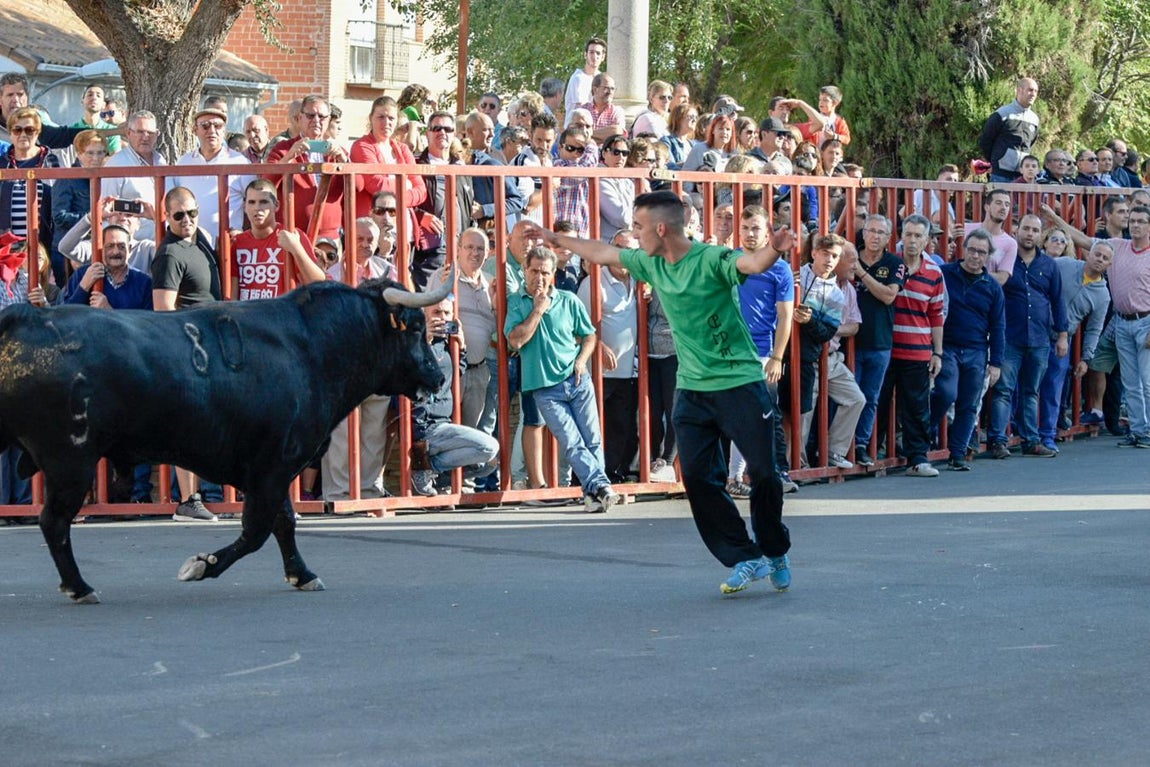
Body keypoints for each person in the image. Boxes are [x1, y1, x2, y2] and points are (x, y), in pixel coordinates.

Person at [527, 190, 795, 595]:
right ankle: (745, 555)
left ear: (661, 228)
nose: (633, 235)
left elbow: (752, 262)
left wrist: (774, 249)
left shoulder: (709, 259)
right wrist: (557, 238)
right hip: (692, 391)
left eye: (638, 227)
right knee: (701, 482)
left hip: (740, 384)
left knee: (764, 475)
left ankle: (774, 550)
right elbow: (602, 253)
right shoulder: (651, 262)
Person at [506, 246, 621, 513]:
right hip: (545, 388)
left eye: (545, 272)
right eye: (534, 271)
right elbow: (516, 340)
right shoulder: (517, 301)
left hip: (578, 379)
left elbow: (589, 335)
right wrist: (537, 310)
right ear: (525, 270)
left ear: (553, 273)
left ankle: (595, 494)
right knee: (571, 442)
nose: (540, 278)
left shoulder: (569, 299)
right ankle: (601, 487)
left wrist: (582, 360)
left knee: (592, 440)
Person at [1044, 202, 1150, 448]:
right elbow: (1080, 239)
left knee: (1147, 381)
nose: (1135, 225)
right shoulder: (1116, 246)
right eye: (1132, 221)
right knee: (1131, 382)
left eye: (1141, 221)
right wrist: (1054, 218)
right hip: (1122, 321)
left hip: (1146, 321)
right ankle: (1138, 431)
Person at [151, 187, 223, 521]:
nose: (187, 220)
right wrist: (184, 355)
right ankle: (188, 499)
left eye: (192, 213)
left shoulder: (199, 242)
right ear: (166, 216)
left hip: (212, 345)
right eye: (179, 215)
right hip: (190, 350)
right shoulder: (170, 254)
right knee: (188, 426)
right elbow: (164, 310)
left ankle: (206, 493)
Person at [986, 213, 1067, 458]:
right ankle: (998, 441)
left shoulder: (1049, 265)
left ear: (1039, 234)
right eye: (1026, 229)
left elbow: (1058, 301)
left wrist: (1062, 335)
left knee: (1031, 391)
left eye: (1035, 230)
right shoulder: (1005, 259)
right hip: (1010, 336)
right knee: (1003, 390)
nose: (1030, 234)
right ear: (1017, 230)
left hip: (1041, 339)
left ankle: (1030, 441)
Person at [731, 205, 795, 495]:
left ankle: (772, 473)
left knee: (764, 415)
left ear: (767, 231)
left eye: (756, 228)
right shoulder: (729, 260)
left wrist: (778, 357)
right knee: (734, 415)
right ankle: (734, 478)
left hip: (761, 352)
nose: (750, 234)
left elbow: (785, 315)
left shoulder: (779, 268)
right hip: (727, 351)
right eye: (745, 228)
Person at [876, 215, 946, 477]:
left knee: (917, 407)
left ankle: (917, 459)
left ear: (927, 240)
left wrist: (937, 352)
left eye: (919, 236)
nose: (913, 240)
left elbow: (937, 314)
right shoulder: (888, 264)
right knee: (879, 403)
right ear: (900, 237)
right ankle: (874, 455)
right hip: (884, 348)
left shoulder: (934, 272)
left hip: (917, 350)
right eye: (909, 234)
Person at [409, 297, 500, 496]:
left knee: (489, 464)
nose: (442, 319)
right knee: (489, 447)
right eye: (436, 313)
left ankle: (433, 472)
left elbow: (456, 373)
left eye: (447, 314)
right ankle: (425, 466)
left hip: (443, 422)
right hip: (424, 424)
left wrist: (462, 345)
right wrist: (423, 342)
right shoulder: (412, 341)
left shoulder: (446, 343)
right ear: (424, 315)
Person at [930, 229, 1005, 470]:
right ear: (964, 250)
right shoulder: (945, 274)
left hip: (977, 350)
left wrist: (996, 363)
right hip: (948, 345)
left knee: (969, 403)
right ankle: (925, 431)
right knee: (945, 393)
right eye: (971, 250)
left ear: (988, 256)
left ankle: (958, 453)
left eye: (981, 252)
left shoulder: (993, 287)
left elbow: (998, 326)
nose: (975, 256)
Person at [1038, 241, 1113, 453]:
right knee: (1025, 383)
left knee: (1053, 388)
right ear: (1089, 255)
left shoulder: (1103, 295)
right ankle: (1021, 431)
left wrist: (1086, 358)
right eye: (1097, 254)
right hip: (1036, 331)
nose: (1099, 259)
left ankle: (1047, 436)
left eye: (1105, 258)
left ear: (1109, 264)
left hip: (1062, 340)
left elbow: (1094, 330)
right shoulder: (1065, 264)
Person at [577, 251, 638, 484]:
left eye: (630, 250)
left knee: (619, 425)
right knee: (593, 426)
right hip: (598, 371)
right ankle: (587, 476)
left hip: (627, 370)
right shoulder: (593, 281)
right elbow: (581, 322)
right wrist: (599, 345)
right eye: (619, 248)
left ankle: (611, 474)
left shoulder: (639, 278)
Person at [852, 214, 907, 465]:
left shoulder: (895, 262)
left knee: (870, 397)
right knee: (846, 397)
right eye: (871, 231)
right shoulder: (849, 258)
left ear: (888, 238)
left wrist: (861, 274)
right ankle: (836, 446)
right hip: (849, 341)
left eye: (881, 233)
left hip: (880, 341)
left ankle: (861, 444)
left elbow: (888, 296)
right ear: (863, 234)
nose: (875, 236)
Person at [265, 94, 350, 241]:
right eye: (310, 115)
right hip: (293, 234)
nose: (316, 120)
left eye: (322, 116)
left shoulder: (338, 150)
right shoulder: (283, 148)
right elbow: (266, 184)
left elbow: (358, 186)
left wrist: (344, 162)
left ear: (329, 120)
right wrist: (289, 156)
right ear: (300, 118)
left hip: (330, 237)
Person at [230, 178, 325, 300]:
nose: (257, 208)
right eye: (252, 202)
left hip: (282, 315)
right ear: (245, 207)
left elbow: (319, 284)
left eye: (264, 202)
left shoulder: (292, 235)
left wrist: (296, 249)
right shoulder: (238, 242)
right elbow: (231, 295)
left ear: (276, 206)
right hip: (248, 316)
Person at [169, 106, 252, 245]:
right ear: (195, 130)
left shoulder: (240, 162)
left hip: (228, 243)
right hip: (190, 244)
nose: (212, 131)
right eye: (205, 126)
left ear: (224, 130)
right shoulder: (184, 162)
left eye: (217, 125)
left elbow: (254, 203)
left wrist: (245, 234)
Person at [1, 107, 61, 283]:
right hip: (7, 249)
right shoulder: (2, 163)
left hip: (42, 247)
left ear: (38, 132)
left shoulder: (51, 161)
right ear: (10, 133)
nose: (23, 135)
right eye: (17, 129)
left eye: (29, 130)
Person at [350, 96, 428, 221]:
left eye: (391, 118)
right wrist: (406, 184)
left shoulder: (403, 149)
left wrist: (395, 196)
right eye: (381, 117)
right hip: (374, 228)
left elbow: (422, 190)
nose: (386, 123)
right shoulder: (362, 146)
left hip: (405, 227)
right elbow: (376, 185)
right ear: (371, 118)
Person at [101, 110, 165, 241]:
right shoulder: (116, 165)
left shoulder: (161, 161)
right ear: (128, 133)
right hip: (132, 248)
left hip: (162, 241)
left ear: (157, 134)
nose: (145, 137)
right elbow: (105, 213)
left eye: (150, 133)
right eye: (140, 132)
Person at [64, 223, 153, 310]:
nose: (116, 252)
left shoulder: (144, 282)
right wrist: (84, 287)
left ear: (129, 249)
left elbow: (146, 322)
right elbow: (66, 316)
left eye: (121, 247)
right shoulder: (83, 274)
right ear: (101, 248)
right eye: (110, 246)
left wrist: (110, 312)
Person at [51, 131, 107, 262]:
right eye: (90, 153)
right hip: (68, 250)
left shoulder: (105, 178)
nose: (96, 158)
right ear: (79, 153)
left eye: (100, 152)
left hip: (96, 246)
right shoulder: (67, 179)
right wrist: (92, 216)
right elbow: (60, 216)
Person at [979, 77, 1040, 182]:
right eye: (1030, 90)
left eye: (1035, 91)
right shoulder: (1002, 113)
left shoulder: (1034, 119)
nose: (1033, 94)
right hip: (1000, 175)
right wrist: (994, 163)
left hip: (1022, 177)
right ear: (1019, 90)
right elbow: (986, 141)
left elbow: (1030, 144)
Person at [784, 86, 852, 147]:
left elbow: (847, 139)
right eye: (820, 99)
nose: (821, 102)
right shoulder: (814, 118)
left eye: (825, 100)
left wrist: (834, 136)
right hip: (816, 154)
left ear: (835, 103)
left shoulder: (840, 121)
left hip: (831, 155)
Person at [564, 36, 607, 120]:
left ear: (603, 57)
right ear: (585, 55)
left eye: (598, 53)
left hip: (593, 127)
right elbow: (582, 109)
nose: (594, 56)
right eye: (591, 52)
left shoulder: (602, 78)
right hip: (575, 127)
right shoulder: (578, 78)